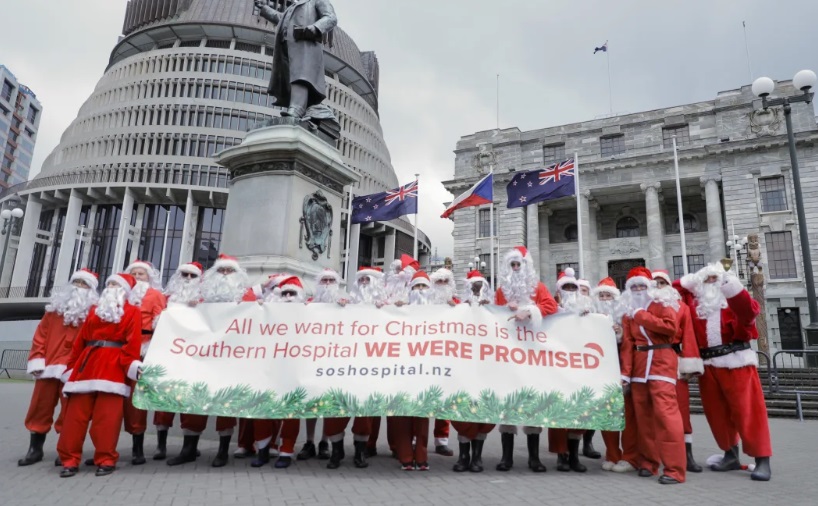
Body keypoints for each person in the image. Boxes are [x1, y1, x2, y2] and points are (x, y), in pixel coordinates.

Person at [679, 263, 771, 481]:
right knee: (716, 414)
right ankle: (730, 454)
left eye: (715, 279)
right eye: (706, 279)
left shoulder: (733, 301)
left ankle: (762, 459)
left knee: (748, 413)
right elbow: (673, 289)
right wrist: (691, 281)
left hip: (736, 362)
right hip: (708, 365)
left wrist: (731, 285)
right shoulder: (696, 305)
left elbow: (749, 312)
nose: (711, 283)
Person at [56, 273, 143, 478]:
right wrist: (71, 368)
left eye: (115, 284)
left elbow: (132, 344)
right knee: (74, 418)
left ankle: (105, 458)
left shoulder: (132, 312)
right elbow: (80, 341)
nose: (111, 286)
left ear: (124, 291)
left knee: (107, 419)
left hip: (113, 368)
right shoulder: (95, 311)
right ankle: (69, 459)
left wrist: (130, 366)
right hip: (87, 366)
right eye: (109, 283)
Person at [166, 254, 248, 467]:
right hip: (201, 358)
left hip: (229, 359)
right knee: (194, 400)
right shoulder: (201, 295)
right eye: (221, 270)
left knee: (225, 404)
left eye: (229, 271)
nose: (225, 275)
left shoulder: (245, 297)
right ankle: (189, 448)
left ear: (237, 275)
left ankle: (222, 451)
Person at [18, 269, 99, 467]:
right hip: (48, 367)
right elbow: (40, 336)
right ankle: (35, 449)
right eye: (76, 282)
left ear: (91, 290)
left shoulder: (94, 315)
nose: (79, 286)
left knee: (70, 412)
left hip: (74, 371)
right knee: (39, 408)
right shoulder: (53, 312)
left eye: (84, 284)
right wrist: (37, 359)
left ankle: (65, 449)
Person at [494, 246, 558, 473]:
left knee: (532, 403)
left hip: (532, 355)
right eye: (512, 265)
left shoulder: (537, 288)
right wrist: (504, 308)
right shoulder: (502, 290)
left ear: (526, 265)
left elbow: (551, 306)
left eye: (518, 264)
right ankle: (506, 458)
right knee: (509, 404)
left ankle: (534, 458)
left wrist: (529, 310)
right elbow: (494, 316)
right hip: (509, 355)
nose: (515, 268)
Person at [620, 266, 685, 485]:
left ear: (649, 287)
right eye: (634, 286)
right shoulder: (628, 312)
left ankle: (675, 469)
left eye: (642, 285)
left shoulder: (661, 303)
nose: (638, 289)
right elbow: (628, 343)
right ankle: (648, 462)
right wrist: (625, 375)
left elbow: (670, 329)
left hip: (661, 362)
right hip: (639, 368)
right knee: (644, 418)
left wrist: (642, 316)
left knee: (666, 417)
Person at [320, 267, 376, 469]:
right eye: (361, 280)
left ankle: (360, 452)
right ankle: (336, 451)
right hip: (340, 366)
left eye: (368, 280)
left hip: (368, 368)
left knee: (364, 414)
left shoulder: (383, 306)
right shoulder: (345, 302)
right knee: (334, 410)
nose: (364, 284)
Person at [653, 269, 705, 473]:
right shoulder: (647, 306)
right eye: (655, 283)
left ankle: (687, 454)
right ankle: (656, 453)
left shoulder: (682, 308)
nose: (658, 287)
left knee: (681, 408)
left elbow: (689, 335)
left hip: (675, 360)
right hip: (653, 361)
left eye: (662, 283)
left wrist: (689, 364)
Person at [151, 262, 204, 461]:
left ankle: (189, 447)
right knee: (164, 401)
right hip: (169, 356)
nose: (188, 279)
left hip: (194, 358)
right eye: (185, 274)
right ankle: (160, 446)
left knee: (191, 401)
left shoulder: (203, 301)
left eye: (192, 276)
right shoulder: (165, 299)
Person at [117, 260, 166, 466]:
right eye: (134, 274)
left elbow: (161, 322)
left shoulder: (155, 295)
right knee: (114, 399)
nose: (138, 277)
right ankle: (107, 446)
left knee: (137, 401)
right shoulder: (119, 295)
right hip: (119, 350)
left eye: (141, 274)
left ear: (149, 277)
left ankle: (138, 448)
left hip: (143, 351)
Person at [255, 0, 338, 119]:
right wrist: (264, 9)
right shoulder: (293, 7)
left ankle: (297, 108)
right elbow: (281, 18)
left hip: (305, 45)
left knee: (301, 76)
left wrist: (316, 27)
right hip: (288, 47)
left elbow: (331, 18)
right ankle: (297, 107)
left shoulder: (316, 1)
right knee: (291, 76)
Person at [590, 277, 639, 473]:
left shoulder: (625, 319)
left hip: (621, 372)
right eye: (601, 295)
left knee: (627, 416)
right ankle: (612, 454)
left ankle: (629, 456)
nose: (604, 298)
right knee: (606, 416)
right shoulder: (591, 319)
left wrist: (626, 373)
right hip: (600, 373)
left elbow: (629, 346)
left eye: (608, 295)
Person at [548, 267, 590, 473]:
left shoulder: (588, 311)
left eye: (574, 286)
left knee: (579, 412)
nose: (571, 289)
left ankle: (574, 454)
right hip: (557, 368)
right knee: (559, 414)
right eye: (567, 286)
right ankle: (561, 454)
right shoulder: (554, 310)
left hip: (580, 367)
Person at [452, 270, 494, 473]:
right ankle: (463, 456)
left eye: (480, 286)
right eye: (473, 286)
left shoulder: (494, 309)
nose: (477, 290)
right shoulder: (460, 308)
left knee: (483, 415)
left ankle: (477, 457)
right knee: (463, 414)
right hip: (465, 369)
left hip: (487, 369)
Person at [392, 271, 434, 470]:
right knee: (403, 415)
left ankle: (422, 456)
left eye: (424, 287)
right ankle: (406, 456)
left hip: (425, 370)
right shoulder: (402, 309)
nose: (420, 291)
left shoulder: (438, 310)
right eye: (416, 287)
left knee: (422, 416)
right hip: (403, 369)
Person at [266, 275, 309, 469]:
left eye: (293, 293)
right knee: (269, 409)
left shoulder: (309, 312)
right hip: (272, 369)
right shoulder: (269, 312)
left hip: (296, 369)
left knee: (291, 411)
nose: (289, 297)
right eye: (285, 293)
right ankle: (265, 447)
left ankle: (287, 450)